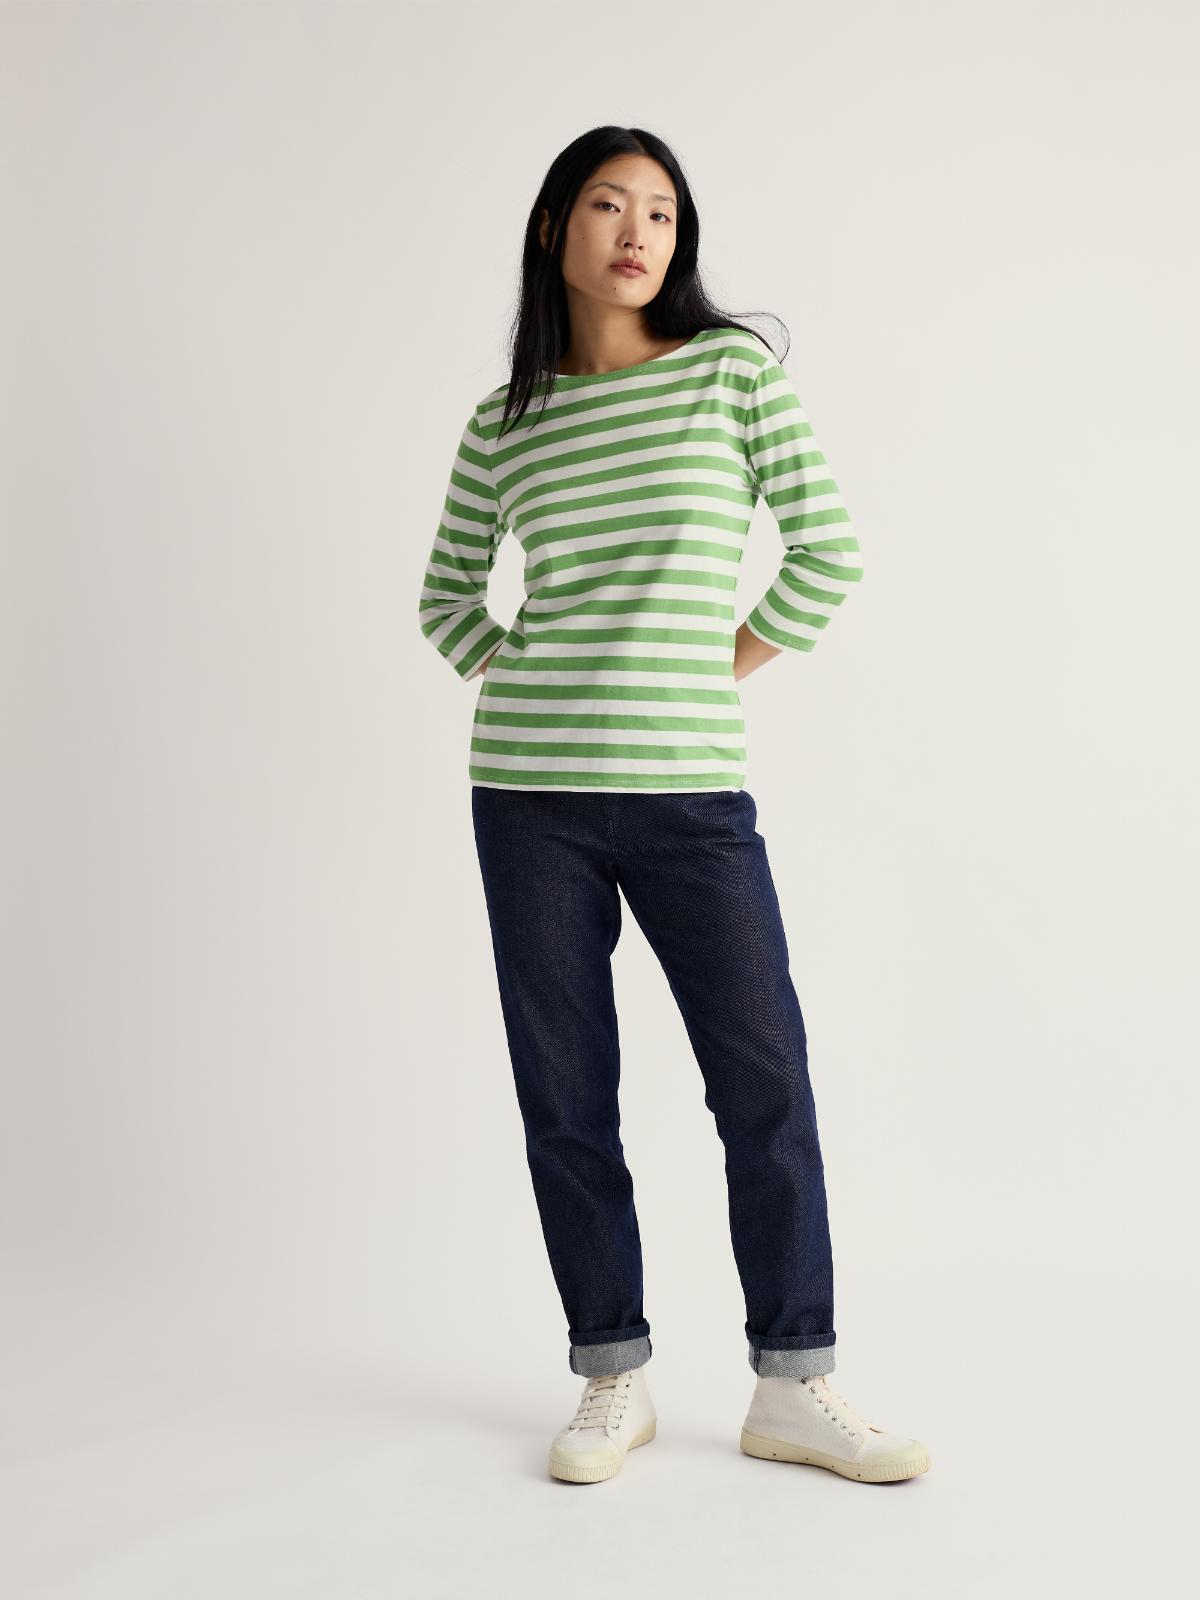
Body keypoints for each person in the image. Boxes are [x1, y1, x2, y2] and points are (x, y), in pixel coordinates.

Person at [417, 125, 931, 1487]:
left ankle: (795, 1384)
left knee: (763, 1082)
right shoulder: (505, 421)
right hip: (528, 801)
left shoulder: (727, 376)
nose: (638, 232)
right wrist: (537, 678)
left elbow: (828, 551)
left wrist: (708, 670)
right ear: (555, 230)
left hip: (692, 796)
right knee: (567, 1096)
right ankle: (612, 1375)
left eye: (660, 211)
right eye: (608, 204)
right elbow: (448, 598)